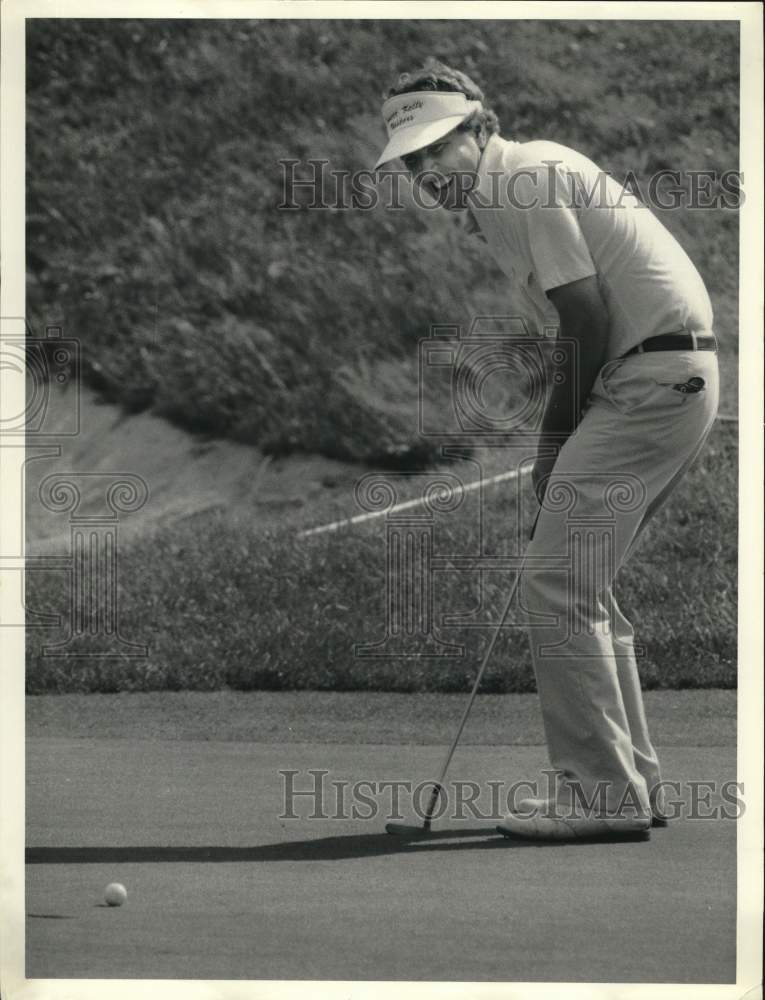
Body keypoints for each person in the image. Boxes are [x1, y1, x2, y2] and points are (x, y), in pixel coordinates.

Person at [373, 60, 719, 840]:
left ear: (480, 129)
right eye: (412, 161)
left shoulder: (523, 177)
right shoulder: (508, 188)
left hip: (649, 380)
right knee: (580, 585)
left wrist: (553, 442)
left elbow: (586, 319)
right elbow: (588, 323)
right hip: (663, 379)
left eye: (438, 149)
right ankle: (632, 782)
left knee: (556, 584)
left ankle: (600, 794)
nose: (426, 172)